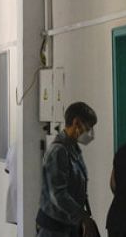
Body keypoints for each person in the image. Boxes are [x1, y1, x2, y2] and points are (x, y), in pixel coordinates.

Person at [37, 101, 100, 237]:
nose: (91, 133)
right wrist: (82, 216)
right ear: (76, 123)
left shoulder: (74, 149)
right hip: (54, 228)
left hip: (69, 226)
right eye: (89, 127)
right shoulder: (57, 151)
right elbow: (58, 194)